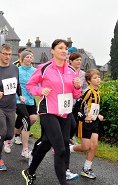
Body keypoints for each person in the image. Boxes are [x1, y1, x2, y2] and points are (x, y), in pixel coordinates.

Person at [21, 39, 81, 185]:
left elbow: (76, 95)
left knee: (47, 143)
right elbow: (30, 85)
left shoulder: (71, 71)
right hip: (48, 111)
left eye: (65, 48)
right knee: (60, 149)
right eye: (60, 48)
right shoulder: (44, 67)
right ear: (52, 51)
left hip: (65, 112)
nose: (64, 51)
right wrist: (40, 90)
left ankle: (29, 171)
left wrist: (77, 87)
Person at [0, 43, 21, 171]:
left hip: (11, 106)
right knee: (2, 132)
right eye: (5, 54)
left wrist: (20, 95)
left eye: (9, 54)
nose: (7, 56)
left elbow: (17, 85)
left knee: (10, 135)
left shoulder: (14, 68)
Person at [70, 69, 103, 179]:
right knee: (85, 147)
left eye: (98, 77)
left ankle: (86, 169)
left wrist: (98, 115)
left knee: (94, 146)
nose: (98, 79)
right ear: (88, 81)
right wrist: (84, 117)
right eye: (95, 78)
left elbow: (93, 108)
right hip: (84, 123)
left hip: (94, 122)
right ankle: (68, 149)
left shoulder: (98, 91)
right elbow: (76, 108)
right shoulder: (86, 92)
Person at [14, 51, 37, 158]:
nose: (29, 59)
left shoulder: (35, 71)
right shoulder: (17, 70)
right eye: (27, 57)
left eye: (30, 57)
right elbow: (14, 85)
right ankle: (25, 149)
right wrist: (18, 96)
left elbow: (39, 85)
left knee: (32, 119)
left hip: (30, 100)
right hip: (19, 100)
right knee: (26, 120)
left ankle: (14, 135)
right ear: (22, 59)